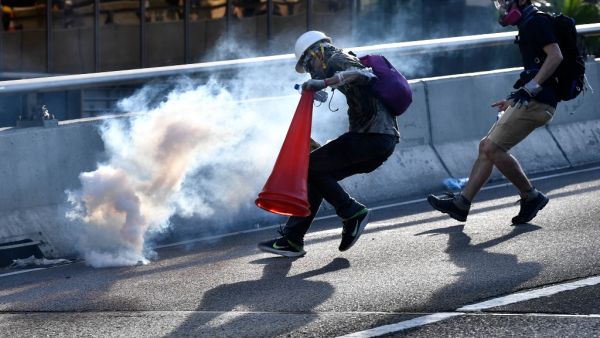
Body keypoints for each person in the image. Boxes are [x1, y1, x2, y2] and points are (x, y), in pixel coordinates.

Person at [258, 31, 400, 257]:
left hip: (372, 137)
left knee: (309, 167)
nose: (309, 70)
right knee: (315, 174)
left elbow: (364, 74)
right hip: (378, 140)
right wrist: (323, 87)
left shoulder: (336, 58)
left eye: (308, 63)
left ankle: (352, 212)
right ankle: (292, 239)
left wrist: (324, 81)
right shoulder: (334, 62)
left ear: (317, 53)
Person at [427, 0, 563, 225]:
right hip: (532, 99)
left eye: (505, 1)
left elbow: (556, 55)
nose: (502, 6)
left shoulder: (536, 21)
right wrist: (513, 99)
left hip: (539, 102)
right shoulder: (528, 23)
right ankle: (462, 204)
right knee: (486, 146)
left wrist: (531, 89)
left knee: (492, 147)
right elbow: (535, 68)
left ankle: (531, 196)